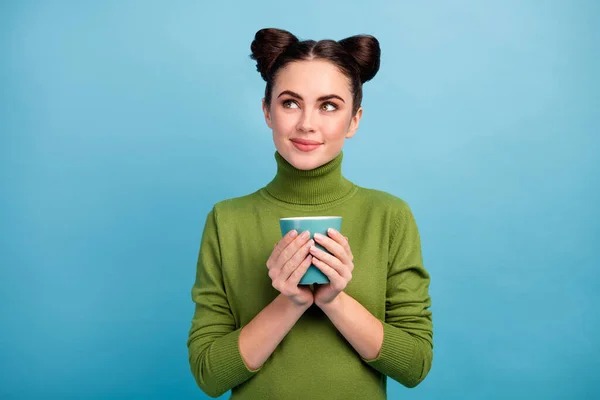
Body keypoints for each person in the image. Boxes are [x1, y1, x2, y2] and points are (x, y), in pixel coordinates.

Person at [187, 27, 433, 399]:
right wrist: (290, 302)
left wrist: (334, 300)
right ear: (267, 111)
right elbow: (209, 375)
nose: (306, 123)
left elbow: (414, 366)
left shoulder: (389, 216)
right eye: (290, 102)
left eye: (328, 105)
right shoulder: (226, 220)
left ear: (354, 120)